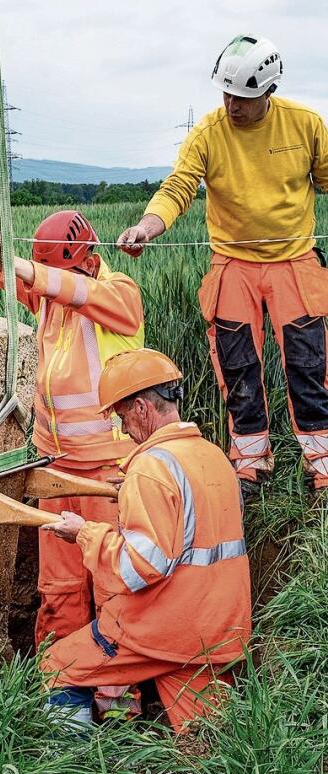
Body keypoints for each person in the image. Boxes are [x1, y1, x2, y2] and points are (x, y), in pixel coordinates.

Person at [117, 34, 328, 496]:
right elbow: (178, 189)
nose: (232, 104)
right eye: (226, 93)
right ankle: (251, 464)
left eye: (244, 97)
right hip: (232, 265)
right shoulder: (208, 134)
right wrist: (146, 228)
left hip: (295, 264)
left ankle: (323, 464)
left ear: (268, 92)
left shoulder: (307, 125)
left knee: (309, 365)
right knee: (238, 368)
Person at [0, 212, 145, 716]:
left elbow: (70, 290)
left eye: (49, 269)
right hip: (55, 466)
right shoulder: (50, 296)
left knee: (112, 583)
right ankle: (63, 693)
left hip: (109, 472)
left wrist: (26, 266)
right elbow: (19, 284)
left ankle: (117, 699)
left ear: (89, 255)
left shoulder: (119, 293)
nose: (44, 281)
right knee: (59, 586)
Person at [41, 348, 251, 732]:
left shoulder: (151, 468)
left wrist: (83, 533)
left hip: (166, 629)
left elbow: (141, 567)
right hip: (218, 631)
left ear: (141, 407)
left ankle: (69, 772)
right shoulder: (214, 457)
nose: (122, 430)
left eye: (122, 417)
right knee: (207, 745)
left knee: (57, 666)